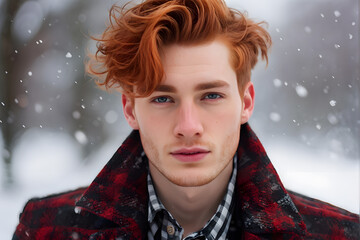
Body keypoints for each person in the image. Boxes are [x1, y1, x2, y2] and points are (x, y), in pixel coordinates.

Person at [13, 0, 359, 239]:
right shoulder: (45, 229)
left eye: (211, 95)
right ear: (131, 109)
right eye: (163, 98)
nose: (189, 125)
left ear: (246, 102)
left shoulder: (336, 233)